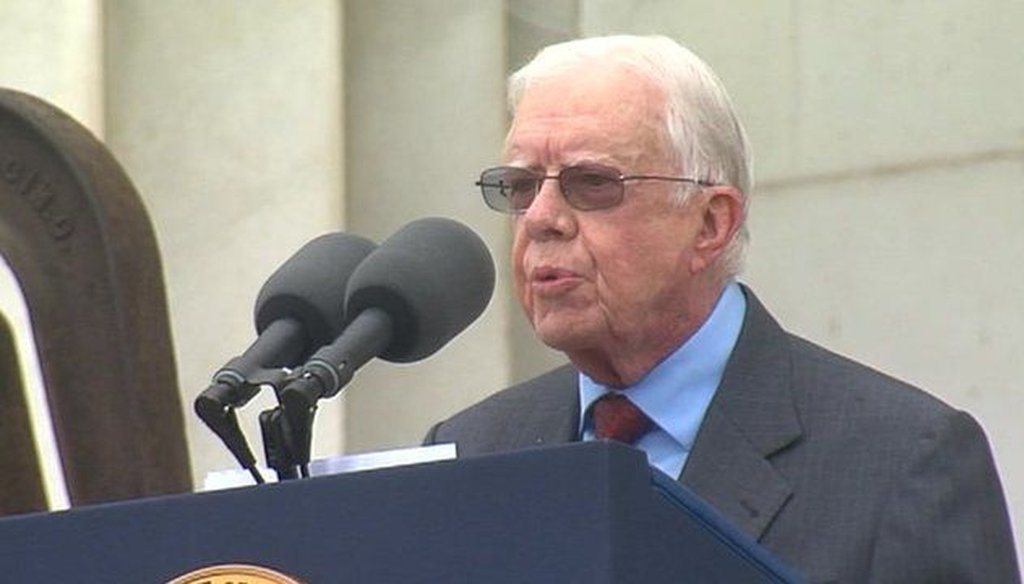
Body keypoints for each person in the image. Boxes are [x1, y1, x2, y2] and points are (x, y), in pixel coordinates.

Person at [424, 35, 1019, 582]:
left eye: (592, 183)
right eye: (522, 187)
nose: (542, 218)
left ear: (710, 223)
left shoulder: (905, 464)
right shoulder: (471, 450)